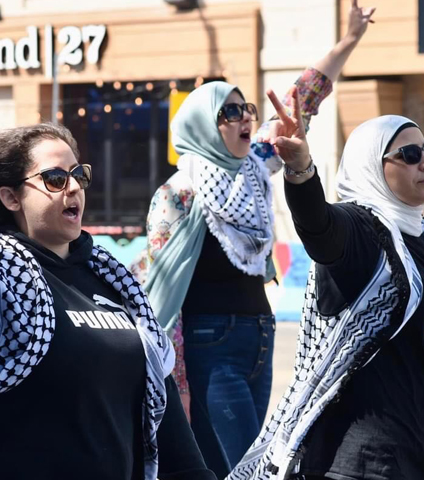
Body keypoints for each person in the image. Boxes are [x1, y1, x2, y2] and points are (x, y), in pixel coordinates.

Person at [143, 3, 376, 479]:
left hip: (261, 337)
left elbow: (302, 99)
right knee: (246, 464)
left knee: (232, 464)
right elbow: (156, 286)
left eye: (245, 108)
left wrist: (349, 40)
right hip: (210, 346)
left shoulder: (253, 169)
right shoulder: (180, 192)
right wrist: (165, 372)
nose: (243, 117)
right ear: (203, 125)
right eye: (228, 112)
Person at [227, 85, 424, 479]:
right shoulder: (363, 230)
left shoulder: (416, 237)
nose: (423, 163)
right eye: (410, 155)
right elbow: (320, 227)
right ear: (373, 165)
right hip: (367, 460)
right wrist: (301, 171)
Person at [0, 123, 217, 480]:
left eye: (78, 175)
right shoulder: (8, 279)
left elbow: (164, 411)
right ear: (11, 198)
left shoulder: (112, 279)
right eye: (54, 179)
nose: (73, 187)